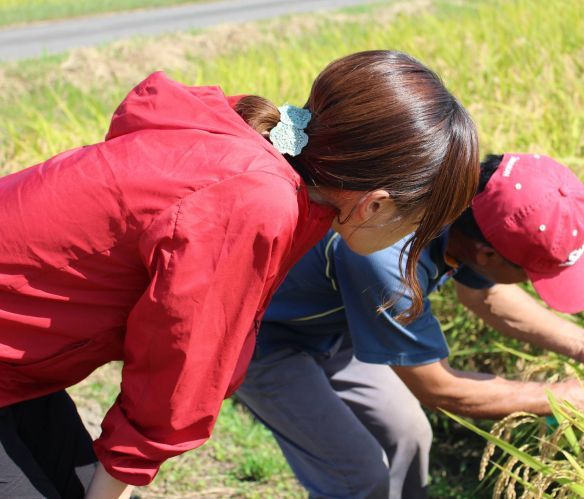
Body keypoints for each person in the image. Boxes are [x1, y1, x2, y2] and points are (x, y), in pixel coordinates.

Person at [0, 50, 479, 499]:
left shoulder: (259, 161)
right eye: (420, 224)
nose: (417, 238)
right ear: (376, 204)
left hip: (18, 370)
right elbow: (177, 373)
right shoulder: (252, 201)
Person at [235, 153, 584, 499]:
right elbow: (439, 388)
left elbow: (484, 293)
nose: (532, 283)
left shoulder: (472, 207)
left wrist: (582, 341)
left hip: (336, 327)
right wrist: (560, 398)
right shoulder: (387, 254)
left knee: (409, 437)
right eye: (531, 274)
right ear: (487, 254)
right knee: (359, 476)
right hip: (261, 336)